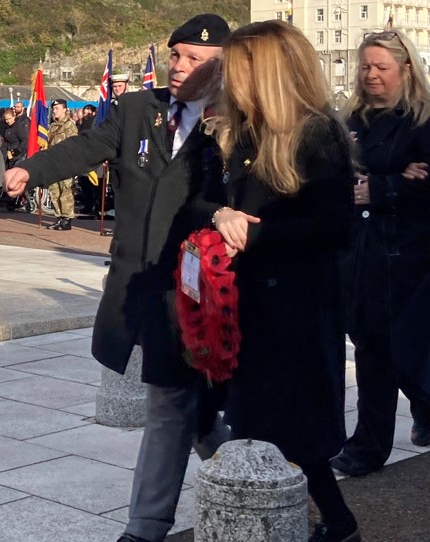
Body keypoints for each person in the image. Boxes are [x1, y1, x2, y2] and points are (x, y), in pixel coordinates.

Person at [3, 14, 229, 542]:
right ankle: (206, 492)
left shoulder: (237, 122)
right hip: (143, 280)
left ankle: (151, 523)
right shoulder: (136, 110)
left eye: (194, 59)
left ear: (222, 68)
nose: (178, 67)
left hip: (204, 288)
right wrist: (30, 170)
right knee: (175, 401)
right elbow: (84, 148)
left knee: (178, 401)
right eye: (175, 55)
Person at [205, 20, 359, 542]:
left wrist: (255, 236)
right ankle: (330, 522)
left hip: (297, 305)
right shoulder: (250, 131)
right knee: (260, 423)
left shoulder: (317, 133)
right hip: (250, 301)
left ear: (264, 71)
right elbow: (216, 199)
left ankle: (323, 523)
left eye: (236, 69)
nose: (228, 80)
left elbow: (334, 225)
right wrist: (222, 217)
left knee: (288, 426)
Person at [330, 29, 430, 479]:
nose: (371, 75)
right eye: (365, 66)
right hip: (361, 255)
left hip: (410, 258)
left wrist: (384, 186)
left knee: (407, 354)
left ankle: (424, 411)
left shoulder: (423, 120)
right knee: (371, 352)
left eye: (381, 67)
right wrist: (396, 176)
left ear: (405, 69)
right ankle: (367, 447)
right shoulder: (349, 120)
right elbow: (337, 176)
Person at [45, 99, 78, 230]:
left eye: (57, 108)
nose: (54, 111)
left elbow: (74, 145)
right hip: (52, 162)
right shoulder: (53, 126)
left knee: (65, 191)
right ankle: (59, 217)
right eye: (53, 108)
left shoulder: (70, 125)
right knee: (54, 191)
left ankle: (67, 219)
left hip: (65, 163)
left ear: (65, 110)